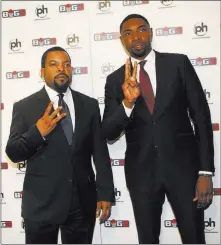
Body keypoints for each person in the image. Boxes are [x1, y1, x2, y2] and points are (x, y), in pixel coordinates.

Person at [102, 14, 215, 244]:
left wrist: (205, 172)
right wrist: (128, 103)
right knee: (148, 239)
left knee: (194, 237)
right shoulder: (115, 81)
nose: (136, 37)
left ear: (150, 32)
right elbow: (109, 133)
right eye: (128, 33)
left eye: (141, 29)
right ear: (121, 40)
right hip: (142, 175)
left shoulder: (178, 64)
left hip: (185, 172)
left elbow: (201, 118)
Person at [6, 46, 115, 244]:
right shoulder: (24, 107)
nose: (61, 69)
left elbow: (100, 151)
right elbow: (13, 153)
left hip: (82, 203)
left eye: (66, 64)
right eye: (53, 64)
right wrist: (37, 132)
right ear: (42, 72)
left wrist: (106, 192)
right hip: (41, 204)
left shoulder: (89, 105)